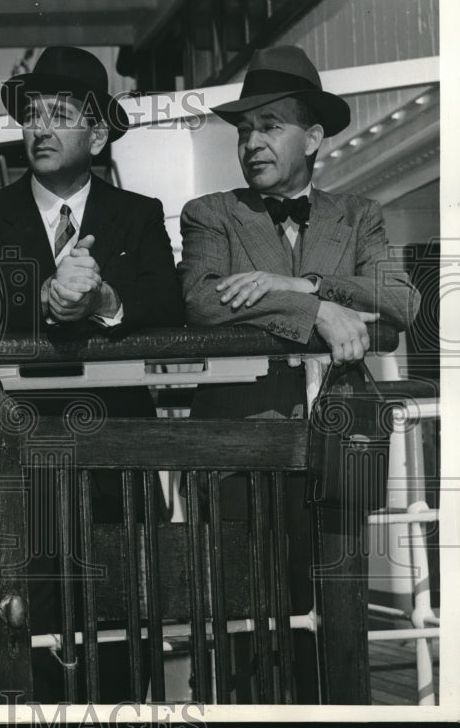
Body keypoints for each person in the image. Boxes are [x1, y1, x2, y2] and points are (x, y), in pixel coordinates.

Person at [177, 45, 420, 702]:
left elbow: (399, 301)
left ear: (313, 137)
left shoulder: (359, 214)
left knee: (333, 626)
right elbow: (204, 299)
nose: (251, 142)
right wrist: (317, 309)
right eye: (244, 129)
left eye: (270, 125)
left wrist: (298, 280)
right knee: (237, 632)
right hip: (236, 454)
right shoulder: (212, 213)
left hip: (339, 450)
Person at [0, 46, 185, 701]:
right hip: (15, 455)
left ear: (98, 131)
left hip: (119, 457)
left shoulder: (139, 213)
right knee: (23, 621)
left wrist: (104, 301)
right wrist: (46, 301)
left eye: (60, 113)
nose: (40, 127)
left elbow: (168, 307)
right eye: (32, 113)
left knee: (123, 624)